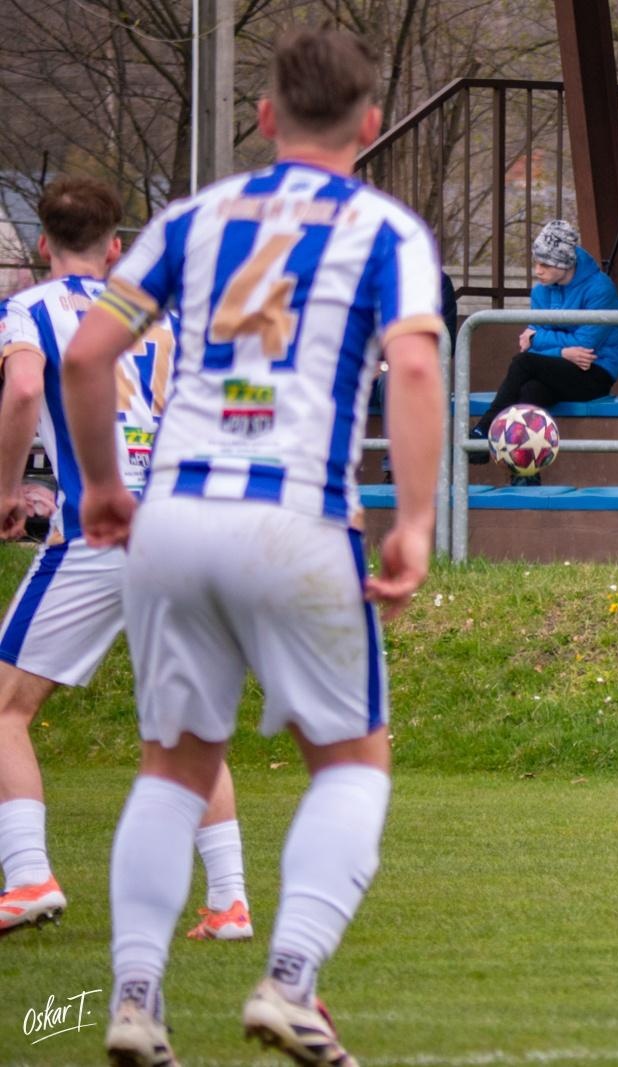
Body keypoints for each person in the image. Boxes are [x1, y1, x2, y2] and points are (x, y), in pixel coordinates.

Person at [62, 27, 443, 1065]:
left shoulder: (192, 218)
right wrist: (413, 520)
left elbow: (90, 356)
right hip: (295, 514)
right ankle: (290, 980)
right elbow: (413, 372)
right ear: (369, 126)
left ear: (266, 118)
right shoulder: (384, 229)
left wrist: (101, 484)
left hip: (174, 512)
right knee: (353, 760)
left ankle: (135, 997)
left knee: (173, 764)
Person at [0, 176, 252, 943]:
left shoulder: (29, 308)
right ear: (117, 247)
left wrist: (5, 487)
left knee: (5, 707)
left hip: (96, 526)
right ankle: (231, 901)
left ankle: (27, 876)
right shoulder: (156, 314)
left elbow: (20, 390)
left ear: (43, 243)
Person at [469, 220, 618, 484]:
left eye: (545, 265)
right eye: (536, 263)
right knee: (530, 390)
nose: (538, 271)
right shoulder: (540, 290)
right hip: (559, 368)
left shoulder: (600, 288)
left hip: (594, 373)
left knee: (523, 363)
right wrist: (563, 350)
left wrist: (543, 340)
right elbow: (532, 338)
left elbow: (585, 345)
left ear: (564, 265)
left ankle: (485, 429)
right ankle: (525, 473)